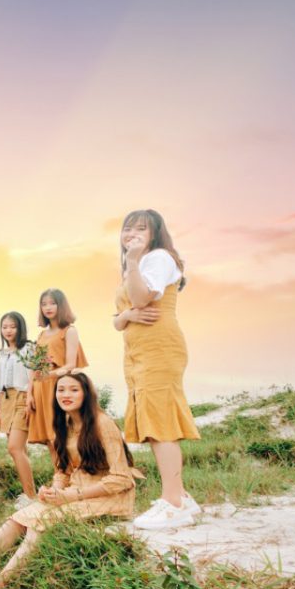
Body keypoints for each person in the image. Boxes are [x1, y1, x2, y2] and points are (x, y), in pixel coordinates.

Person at [0, 373, 137, 589]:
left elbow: (122, 478)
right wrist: (52, 489)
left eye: (74, 390)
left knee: (40, 524)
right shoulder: (64, 424)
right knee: (18, 518)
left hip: (110, 495)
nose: (66, 395)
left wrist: (73, 496)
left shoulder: (102, 423)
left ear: (86, 393)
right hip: (76, 490)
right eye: (61, 390)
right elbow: (63, 470)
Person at [114, 209, 202, 530]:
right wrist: (127, 317)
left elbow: (141, 299)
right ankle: (181, 496)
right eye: (128, 228)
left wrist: (133, 261)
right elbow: (119, 318)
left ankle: (173, 502)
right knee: (153, 422)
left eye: (141, 228)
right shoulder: (137, 265)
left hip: (159, 349)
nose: (132, 234)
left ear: (155, 233)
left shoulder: (158, 258)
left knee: (161, 424)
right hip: (139, 353)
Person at [27, 289, 87, 462]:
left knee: (61, 435)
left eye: (52, 303)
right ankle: (59, 474)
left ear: (61, 305)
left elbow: (70, 365)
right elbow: (34, 367)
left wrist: (50, 375)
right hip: (40, 389)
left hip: (58, 387)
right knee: (49, 439)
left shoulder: (69, 331)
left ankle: (74, 473)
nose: (48, 307)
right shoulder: (41, 335)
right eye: (44, 304)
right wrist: (29, 393)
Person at [0, 311, 36, 501]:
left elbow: (33, 375)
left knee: (14, 448)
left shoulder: (28, 348)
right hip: (5, 400)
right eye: (5, 327)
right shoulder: (2, 353)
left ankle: (31, 497)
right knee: (20, 450)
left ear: (20, 328)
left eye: (12, 326)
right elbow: (0, 382)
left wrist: (30, 397)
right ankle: (29, 492)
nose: (8, 330)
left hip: (22, 397)